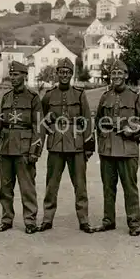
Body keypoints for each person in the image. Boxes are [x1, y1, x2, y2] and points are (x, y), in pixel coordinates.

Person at [93, 59, 140, 236]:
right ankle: (108, 221)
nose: (116, 76)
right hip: (107, 149)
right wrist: (101, 141)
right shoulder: (105, 96)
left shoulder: (135, 96)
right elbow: (98, 122)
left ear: (126, 76)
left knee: (130, 188)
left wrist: (133, 132)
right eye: (113, 73)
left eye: (120, 73)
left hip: (127, 150)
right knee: (108, 188)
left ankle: (134, 223)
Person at [37, 57, 96, 233]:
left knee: (80, 185)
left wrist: (88, 146)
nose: (64, 75)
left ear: (71, 74)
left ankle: (84, 220)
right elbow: (41, 121)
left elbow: (87, 120)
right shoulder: (48, 95)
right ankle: (47, 219)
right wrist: (46, 129)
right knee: (51, 185)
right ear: (57, 74)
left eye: (67, 72)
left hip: (76, 145)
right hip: (55, 145)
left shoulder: (79, 94)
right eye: (61, 72)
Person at [0, 61, 44, 234]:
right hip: (6, 148)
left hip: (24, 148)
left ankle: (30, 221)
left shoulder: (33, 97)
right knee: (5, 187)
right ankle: (6, 219)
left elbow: (39, 126)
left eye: (16, 75)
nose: (13, 78)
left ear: (25, 75)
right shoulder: (6, 97)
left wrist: (34, 151)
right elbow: (1, 124)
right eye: (11, 75)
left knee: (27, 187)